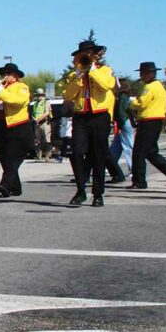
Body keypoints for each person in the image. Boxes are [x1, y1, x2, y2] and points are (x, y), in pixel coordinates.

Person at [62, 39, 116, 207]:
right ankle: (80, 190)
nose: (85, 56)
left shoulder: (105, 70)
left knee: (98, 155)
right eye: (82, 55)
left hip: (99, 116)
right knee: (77, 152)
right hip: (80, 116)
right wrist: (79, 74)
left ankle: (98, 194)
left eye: (88, 54)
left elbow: (107, 85)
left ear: (94, 55)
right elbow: (68, 95)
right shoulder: (74, 74)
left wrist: (91, 69)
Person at [128, 62, 166, 189]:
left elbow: (141, 103)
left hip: (148, 121)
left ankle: (139, 181)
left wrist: (131, 102)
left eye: (142, 73)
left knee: (139, 152)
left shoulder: (149, 87)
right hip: (156, 120)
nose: (141, 76)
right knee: (150, 152)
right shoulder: (159, 86)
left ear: (149, 74)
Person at [0, 64, 33, 198]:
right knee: (4, 157)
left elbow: (16, 101)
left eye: (9, 73)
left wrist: (1, 90)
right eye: (4, 73)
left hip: (17, 126)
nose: (5, 75)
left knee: (13, 157)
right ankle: (15, 187)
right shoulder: (1, 88)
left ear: (16, 75)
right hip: (0, 126)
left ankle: (5, 184)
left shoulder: (22, 87)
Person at [109, 79, 134, 180]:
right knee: (115, 148)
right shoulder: (123, 96)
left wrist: (120, 123)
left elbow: (121, 112)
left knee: (127, 146)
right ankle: (112, 166)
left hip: (124, 122)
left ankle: (133, 169)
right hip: (124, 122)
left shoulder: (122, 96)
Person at [30, 88, 53, 161]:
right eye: (38, 95)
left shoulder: (46, 102)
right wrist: (34, 119)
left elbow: (46, 112)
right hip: (37, 124)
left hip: (44, 123)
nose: (39, 96)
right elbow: (33, 113)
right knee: (38, 140)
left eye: (40, 95)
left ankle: (47, 156)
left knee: (47, 140)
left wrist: (39, 119)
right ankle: (39, 156)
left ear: (43, 95)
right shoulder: (35, 103)